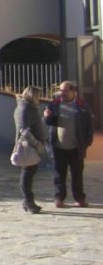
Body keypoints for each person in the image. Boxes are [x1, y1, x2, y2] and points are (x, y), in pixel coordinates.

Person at [44, 80, 94, 208]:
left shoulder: (81, 106)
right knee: (59, 175)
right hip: (58, 147)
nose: (62, 93)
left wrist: (86, 142)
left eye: (65, 91)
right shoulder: (54, 105)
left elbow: (89, 125)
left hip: (76, 148)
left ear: (73, 91)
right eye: (60, 90)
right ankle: (59, 198)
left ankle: (79, 199)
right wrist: (46, 117)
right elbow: (49, 122)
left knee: (77, 175)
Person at [13, 86, 47, 213]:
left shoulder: (28, 108)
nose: (39, 99)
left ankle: (28, 201)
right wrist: (37, 144)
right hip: (29, 146)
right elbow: (24, 130)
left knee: (29, 173)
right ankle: (28, 201)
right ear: (33, 96)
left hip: (32, 145)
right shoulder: (26, 109)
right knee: (27, 174)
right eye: (38, 96)